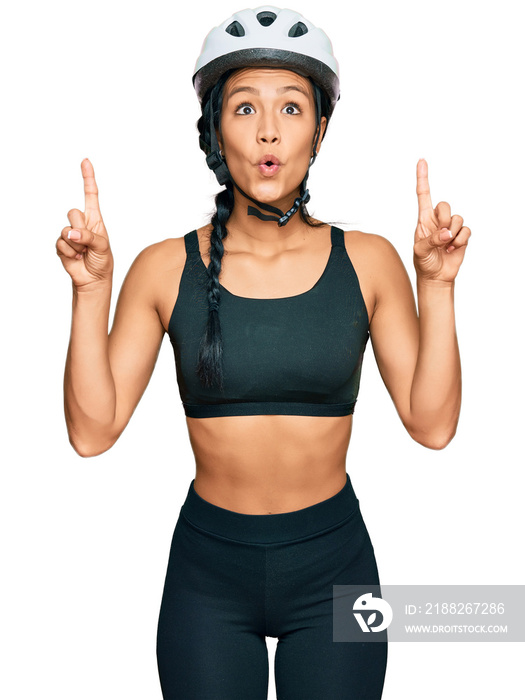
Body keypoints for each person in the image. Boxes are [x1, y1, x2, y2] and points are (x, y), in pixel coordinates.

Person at [56, 6, 471, 699]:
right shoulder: (164, 267)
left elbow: (432, 426)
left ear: (321, 128)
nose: (269, 130)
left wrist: (436, 283)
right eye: (244, 107)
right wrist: (91, 288)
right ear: (215, 128)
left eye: (291, 108)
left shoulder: (367, 262)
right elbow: (92, 433)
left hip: (335, 568)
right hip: (207, 577)